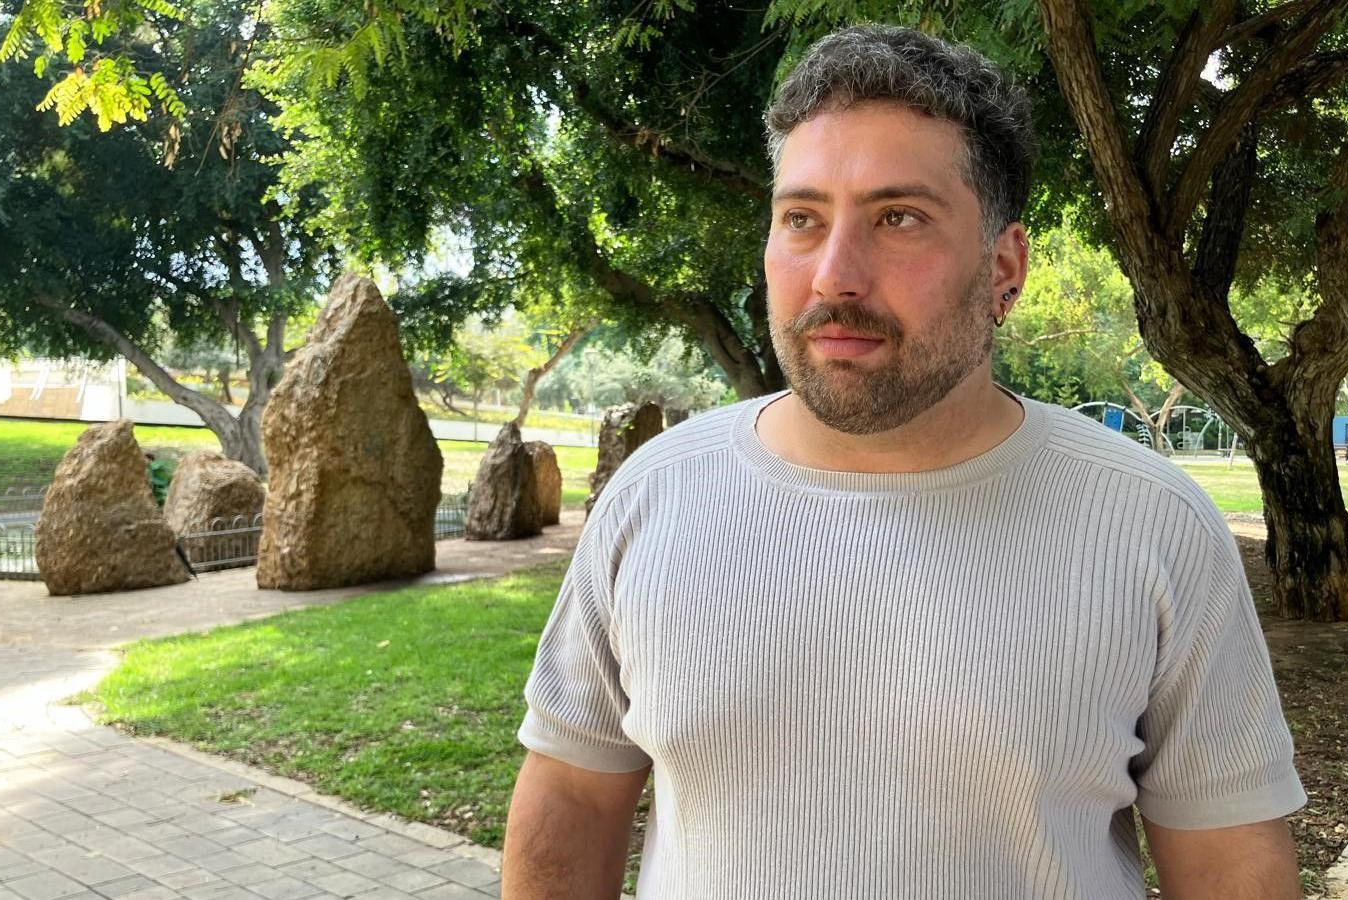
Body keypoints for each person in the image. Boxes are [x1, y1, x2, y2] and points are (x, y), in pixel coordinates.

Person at [502, 24, 1305, 899]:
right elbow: (573, 797)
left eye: (898, 219)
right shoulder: (653, 497)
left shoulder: (1153, 526)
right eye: (802, 219)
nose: (834, 274)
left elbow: (1232, 871)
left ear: (1005, 267)